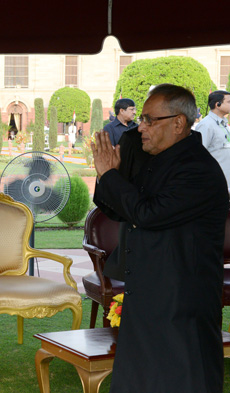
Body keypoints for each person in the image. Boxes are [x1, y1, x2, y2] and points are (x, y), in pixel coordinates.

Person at [92, 84, 228, 393]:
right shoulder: (158, 161)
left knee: (183, 380)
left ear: (178, 123)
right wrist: (108, 175)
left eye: (149, 120)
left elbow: (148, 213)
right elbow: (120, 210)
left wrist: (111, 176)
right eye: (141, 119)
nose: (140, 127)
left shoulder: (196, 170)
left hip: (181, 305)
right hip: (150, 297)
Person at [195, 90, 230, 192]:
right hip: (213, 184)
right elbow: (199, 155)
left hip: (226, 182)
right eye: (229, 102)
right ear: (217, 104)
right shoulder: (206, 125)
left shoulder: (225, 125)